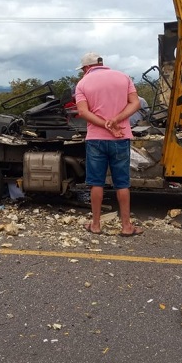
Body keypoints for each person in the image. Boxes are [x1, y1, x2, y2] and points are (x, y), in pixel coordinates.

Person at [74, 52, 144, 237]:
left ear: (86, 68)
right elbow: (135, 103)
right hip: (120, 138)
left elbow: (82, 112)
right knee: (122, 184)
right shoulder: (123, 77)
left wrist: (104, 124)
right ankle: (126, 227)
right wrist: (115, 120)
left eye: (82, 69)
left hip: (96, 139)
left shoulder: (82, 84)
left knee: (96, 183)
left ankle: (96, 225)